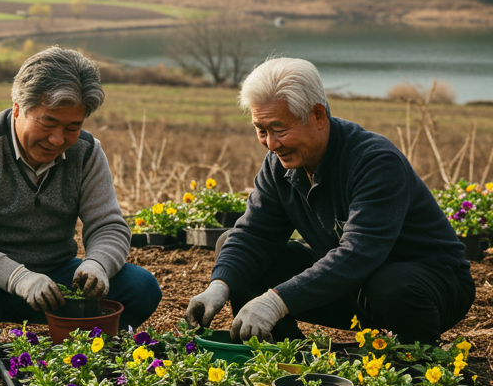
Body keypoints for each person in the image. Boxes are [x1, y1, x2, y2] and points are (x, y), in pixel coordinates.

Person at [186, 57, 474, 343]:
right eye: (261, 130)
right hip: (353, 285)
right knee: (231, 247)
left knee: (389, 286)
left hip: (427, 287)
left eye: (280, 129)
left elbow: (358, 253)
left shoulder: (373, 162)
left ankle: (415, 362)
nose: (271, 144)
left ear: (318, 116)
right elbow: (254, 233)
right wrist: (220, 285)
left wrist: (275, 301)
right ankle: (280, 355)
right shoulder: (279, 165)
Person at [0, 46, 160, 329]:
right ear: (17, 109)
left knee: (140, 287)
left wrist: (97, 264)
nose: (58, 139)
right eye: (48, 122)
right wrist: (18, 278)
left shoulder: (86, 152)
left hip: (53, 280)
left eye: (73, 126)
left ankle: (79, 355)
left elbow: (108, 225)